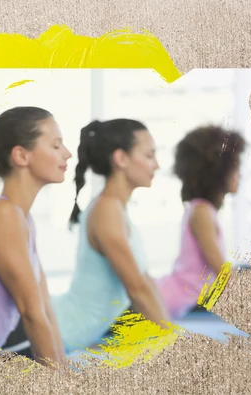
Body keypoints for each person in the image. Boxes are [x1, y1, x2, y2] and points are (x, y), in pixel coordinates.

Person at [0, 106, 71, 365]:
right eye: (56, 145)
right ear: (21, 155)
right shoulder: (2, 214)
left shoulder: (22, 218)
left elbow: (45, 310)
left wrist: (65, 374)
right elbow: (32, 314)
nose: (67, 153)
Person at [51, 119, 171, 354]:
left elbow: (145, 282)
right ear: (121, 159)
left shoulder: (115, 209)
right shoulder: (106, 210)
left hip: (75, 332)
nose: (156, 165)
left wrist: (171, 335)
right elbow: (136, 289)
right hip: (60, 330)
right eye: (149, 155)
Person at [154, 125, 246, 319]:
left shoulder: (203, 210)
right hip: (182, 299)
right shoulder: (201, 212)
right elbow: (220, 270)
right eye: (235, 167)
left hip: (186, 295)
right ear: (217, 173)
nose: (240, 174)